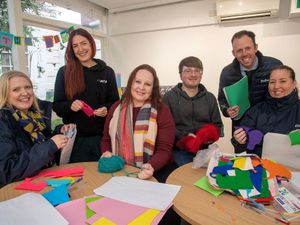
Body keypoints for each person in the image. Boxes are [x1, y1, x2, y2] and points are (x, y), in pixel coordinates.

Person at [53, 28, 119, 163]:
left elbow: (115, 103)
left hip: (102, 138)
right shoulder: (64, 72)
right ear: (71, 49)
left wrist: (106, 109)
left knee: (104, 177)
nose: (80, 49)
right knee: (77, 179)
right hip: (74, 139)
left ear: (91, 44)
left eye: (84, 43)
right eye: (75, 46)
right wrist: (70, 105)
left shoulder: (107, 72)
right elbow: (57, 106)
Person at [101, 64, 176, 182]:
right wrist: (107, 153)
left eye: (147, 84)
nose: (141, 87)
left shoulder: (162, 110)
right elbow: (106, 139)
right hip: (120, 171)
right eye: (138, 82)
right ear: (131, 83)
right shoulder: (116, 108)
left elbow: (164, 149)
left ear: (153, 88)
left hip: (155, 173)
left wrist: (151, 166)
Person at [0, 71, 73, 187]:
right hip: (17, 192)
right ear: (4, 94)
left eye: (28, 87)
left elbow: (40, 145)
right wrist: (51, 145)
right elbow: (7, 171)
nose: (24, 93)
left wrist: (60, 131)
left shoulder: (35, 116)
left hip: (43, 181)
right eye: (16, 89)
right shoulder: (3, 122)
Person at [163, 56, 223, 166]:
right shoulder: (168, 98)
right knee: (186, 179)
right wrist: (185, 138)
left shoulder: (210, 98)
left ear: (201, 74)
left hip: (206, 151)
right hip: (178, 152)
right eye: (188, 71)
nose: (193, 74)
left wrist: (208, 136)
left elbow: (218, 125)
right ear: (180, 75)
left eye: (197, 71)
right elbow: (166, 127)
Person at [218, 30, 282, 132]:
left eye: (248, 48)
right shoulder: (227, 73)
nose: (244, 54)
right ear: (233, 53)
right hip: (242, 128)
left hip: (271, 124)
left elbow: (285, 94)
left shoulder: (274, 66)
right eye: (239, 50)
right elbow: (222, 100)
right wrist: (227, 110)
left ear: (256, 47)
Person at [232, 65, 299, 157]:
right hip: (260, 167)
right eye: (272, 82)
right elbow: (241, 148)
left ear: (294, 83)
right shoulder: (257, 110)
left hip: (293, 169)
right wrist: (239, 141)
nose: (276, 86)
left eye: (283, 81)